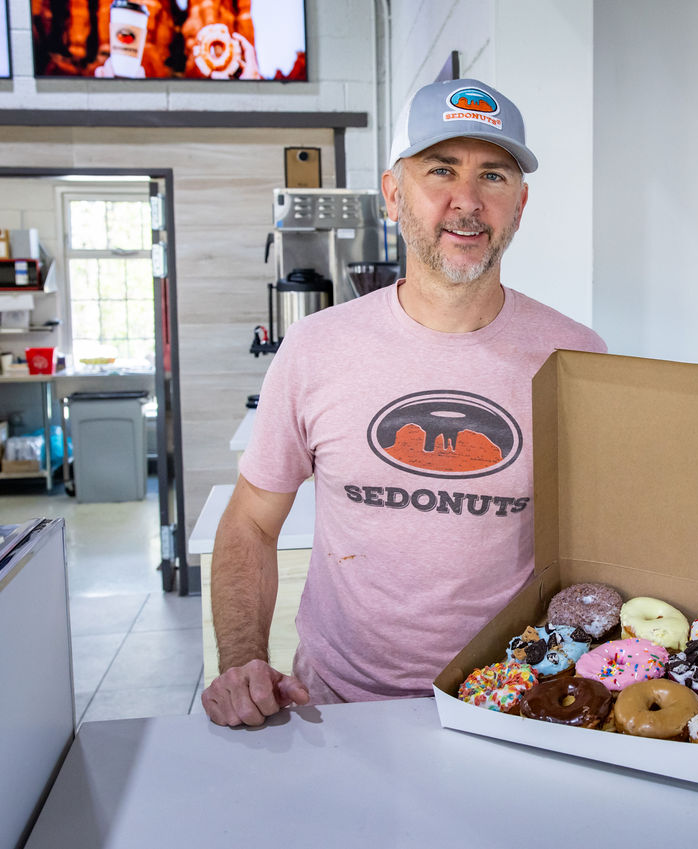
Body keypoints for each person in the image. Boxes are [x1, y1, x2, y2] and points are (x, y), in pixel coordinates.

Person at [202, 78, 606, 727]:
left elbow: (609, 547)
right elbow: (250, 520)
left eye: (494, 176)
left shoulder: (578, 359)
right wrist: (242, 658)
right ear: (394, 193)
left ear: (521, 203)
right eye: (440, 170)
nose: (467, 202)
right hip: (337, 710)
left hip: (516, 707)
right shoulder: (315, 348)